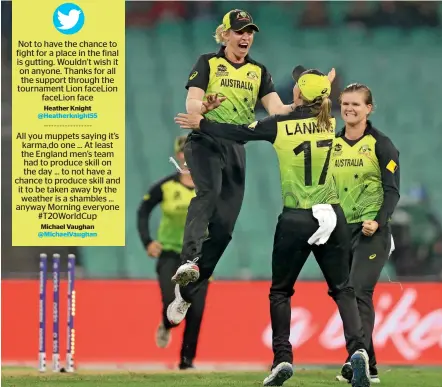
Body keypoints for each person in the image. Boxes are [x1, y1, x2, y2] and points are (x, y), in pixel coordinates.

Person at [174, 68, 371, 387]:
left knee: (280, 291)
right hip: (332, 216)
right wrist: (324, 87)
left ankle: (282, 358)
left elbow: (238, 133)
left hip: (297, 218)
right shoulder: (331, 121)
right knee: (343, 289)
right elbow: (322, 105)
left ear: (297, 94)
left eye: (296, 86)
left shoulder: (280, 125)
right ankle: (358, 350)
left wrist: (202, 123)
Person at [167, 8, 336, 325]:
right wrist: (203, 109)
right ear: (226, 34)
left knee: (225, 230)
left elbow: (278, 110)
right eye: (240, 31)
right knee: (208, 192)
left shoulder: (259, 71)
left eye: (250, 32)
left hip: (236, 146)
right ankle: (188, 259)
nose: (245, 37)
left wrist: (313, 97)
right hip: (204, 139)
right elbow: (192, 103)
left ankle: (185, 295)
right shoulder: (208, 63)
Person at [331, 83, 400, 384]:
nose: (349, 109)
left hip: (372, 232)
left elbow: (392, 191)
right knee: (348, 294)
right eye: (345, 104)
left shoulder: (382, 145)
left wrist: (379, 221)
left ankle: (353, 358)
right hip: (341, 232)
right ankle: (368, 366)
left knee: (359, 291)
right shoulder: (332, 144)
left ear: (369, 108)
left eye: (356, 104)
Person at [136, 135, 209, 370]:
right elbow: (143, 210)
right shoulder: (166, 186)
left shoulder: (208, 187)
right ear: (178, 156)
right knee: (172, 304)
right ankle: (167, 326)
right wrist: (148, 241)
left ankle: (186, 363)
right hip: (169, 254)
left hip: (197, 258)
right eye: (184, 153)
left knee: (195, 310)